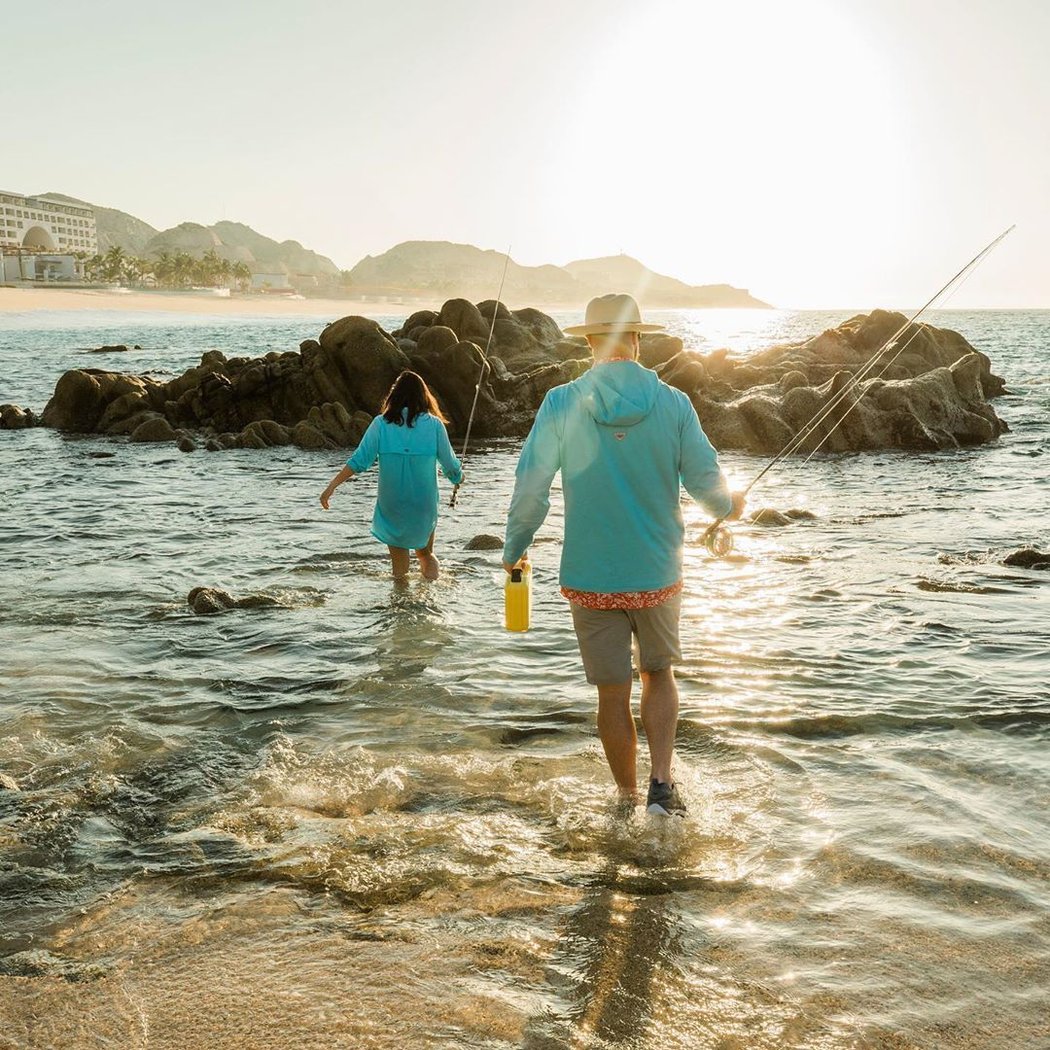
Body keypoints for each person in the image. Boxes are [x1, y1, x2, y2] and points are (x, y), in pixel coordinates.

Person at [502, 293, 744, 816]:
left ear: (590, 343)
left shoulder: (562, 402)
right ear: (637, 339)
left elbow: (531, 487)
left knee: (611, 694)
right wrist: (729, 505)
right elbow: (707, 485)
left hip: (590, 576)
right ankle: (661, 784)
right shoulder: (674, 402)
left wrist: (515, 548)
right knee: (659, 675)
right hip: (657, 572)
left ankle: (626, 798)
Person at [320, 370, 463, 580]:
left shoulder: (380, 424)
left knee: (399, 568)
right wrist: (458, 478)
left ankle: (399, 606)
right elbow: (450, 465)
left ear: (394, 396)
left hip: (392, 503)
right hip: (423, 503)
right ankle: (430, 596)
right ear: (424, 396)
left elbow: (359, 461)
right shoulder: (434, 425)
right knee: (426, 554)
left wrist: (332, 486)